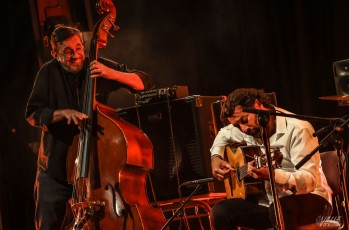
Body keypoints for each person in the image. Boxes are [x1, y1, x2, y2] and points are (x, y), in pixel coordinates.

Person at [25, 25, 154, 229]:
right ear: (55, 54)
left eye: (78, 48)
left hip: (95, 171)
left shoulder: (97, 66)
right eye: (68, 52)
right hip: (55, 170)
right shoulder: (48, 73)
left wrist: (111, 73)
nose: (76, 55)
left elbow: (143, 82)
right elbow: (33, 114)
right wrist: (62, 113)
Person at [210, 88, 332, 230]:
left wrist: (273, 175)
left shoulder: (298, 128)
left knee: (281, 209)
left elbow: (309, 181)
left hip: (313, 200)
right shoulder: (246, 129)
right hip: (269, 203)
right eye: (237, 125)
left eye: (244, 120)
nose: (243, 129)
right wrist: (216, 157)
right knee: (221, 211)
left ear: (257, 104)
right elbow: (223, 134)